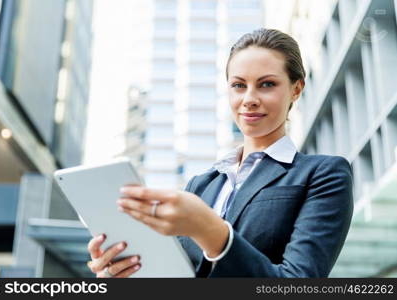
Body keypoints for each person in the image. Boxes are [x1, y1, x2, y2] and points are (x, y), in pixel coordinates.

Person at [86, 28, 353, 278]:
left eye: (267, 84)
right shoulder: (201, 184)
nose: (249, 98)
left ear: (296, 88)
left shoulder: (323, 174)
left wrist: (209, 230)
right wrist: (129, 273)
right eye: (238, 85)